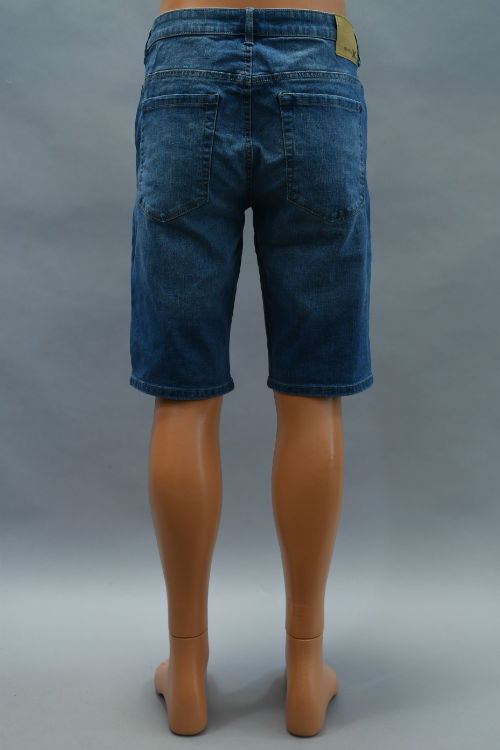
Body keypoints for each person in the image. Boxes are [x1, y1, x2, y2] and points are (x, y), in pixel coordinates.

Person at [130, 0, 373, 736]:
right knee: (312, 395)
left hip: (185, 61)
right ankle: (305, 671)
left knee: (182, 399)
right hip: (316, 63)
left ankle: (187, 673)